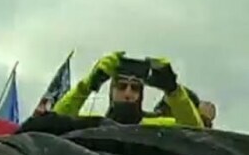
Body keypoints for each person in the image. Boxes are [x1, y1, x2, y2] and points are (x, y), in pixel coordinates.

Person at [53, 51, 204, 127]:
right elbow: (54, 122)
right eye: (121, 86)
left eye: (135, 88)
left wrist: (173, 91)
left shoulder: (155, 127)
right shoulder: (94, 125)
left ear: (141, 95)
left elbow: (195, 133)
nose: (128, 93)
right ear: (111, 92)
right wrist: (86, 86)